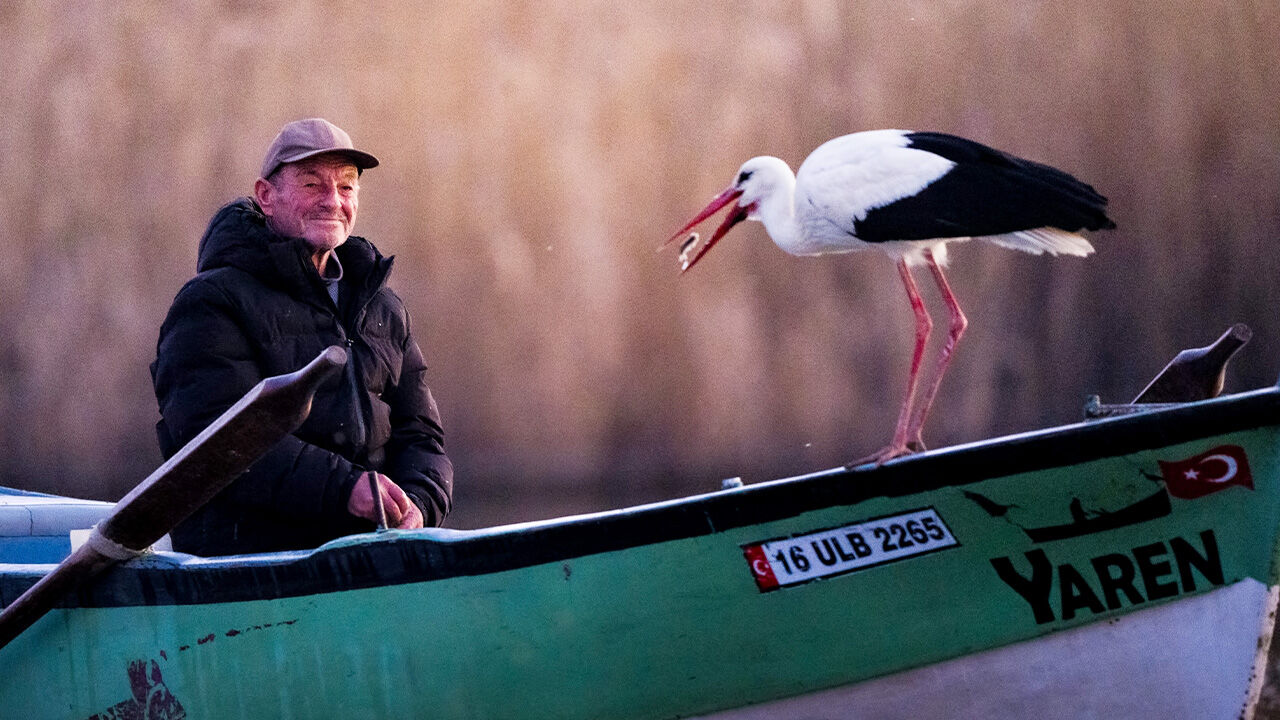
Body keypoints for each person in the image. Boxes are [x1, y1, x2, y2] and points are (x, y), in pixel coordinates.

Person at [151, 118, 453, 555]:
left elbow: (423, 437)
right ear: (267, 196)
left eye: (346, 188)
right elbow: (218, 442)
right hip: (251, 572)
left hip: (374, 561)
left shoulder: (383, 308)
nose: (333, 201)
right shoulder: (211, 303)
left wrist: (419, 505)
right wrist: (346, 489)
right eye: (313, 185)